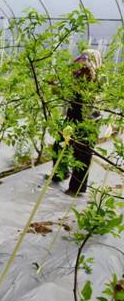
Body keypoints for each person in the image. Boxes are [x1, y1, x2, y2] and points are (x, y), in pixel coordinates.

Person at [51, 49, 103, 196]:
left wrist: (89, 75)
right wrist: (55, 85)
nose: (84, 59)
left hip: (89, 120)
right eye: (83, 56)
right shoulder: (75, 74)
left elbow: (95, 97)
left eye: (87, 57)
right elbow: (62, 92)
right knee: (59, 146)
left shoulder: (99, 78)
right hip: (71, 116)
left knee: (83, 154)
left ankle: (76, 189)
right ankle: (60, 174)